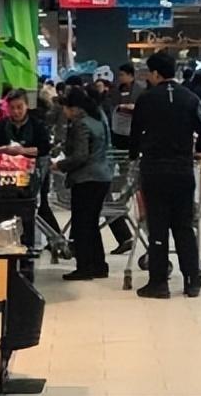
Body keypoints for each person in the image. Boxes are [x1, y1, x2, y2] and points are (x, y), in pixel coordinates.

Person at [130, 52, 201, 299]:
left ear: (156, 73)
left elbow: (134, 134)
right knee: (184, 226)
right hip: (182, 170)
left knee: (158, 227)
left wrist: (134, 155)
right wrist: (198, 150)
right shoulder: (190, 98)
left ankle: (158, 283)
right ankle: (192, 280)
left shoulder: (146, 99)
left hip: (154, 170)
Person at [53, 85, 113, 280]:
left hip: (86, 178)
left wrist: (60, 165)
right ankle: (98, 265)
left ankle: (85, 267)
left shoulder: (80, 124)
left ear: (74, 108)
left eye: (66, 108)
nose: (64, 112)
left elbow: (80, 156)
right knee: (91, 223)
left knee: (82, 224)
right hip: (102, 176)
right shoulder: (98, 119)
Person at [0, 88, 61, 235]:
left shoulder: (37, 125)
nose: (16, 111)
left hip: (35, 173)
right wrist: (5, 150)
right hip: (8, 176)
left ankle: (53, 238)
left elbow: (44, 149)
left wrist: (22, 151)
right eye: (12, 108)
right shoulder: (0, 126)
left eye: (19, 107)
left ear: (27, 106)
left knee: (39, 205)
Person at [106, 62, 145, 254]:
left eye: (123, 74)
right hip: (118, 136)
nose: (120, 78)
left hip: (131, 137)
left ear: (131, 75)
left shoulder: (140, 92)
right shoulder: (115, 92)